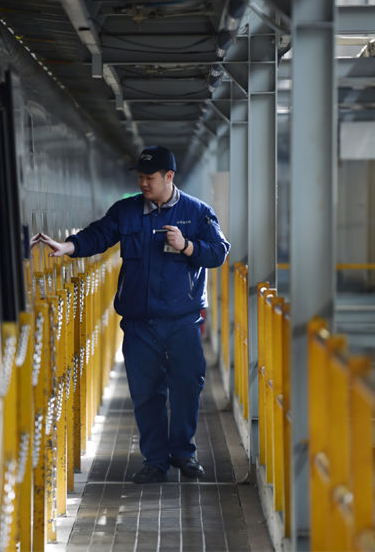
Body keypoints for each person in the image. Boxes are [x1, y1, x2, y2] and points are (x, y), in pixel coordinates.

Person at [32, 146, 230, 483]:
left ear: (169, 177)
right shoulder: (126, 212)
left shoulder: (197, 213)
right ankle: (155, 461)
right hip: (139, 322)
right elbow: (99, 235)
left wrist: (188, 246)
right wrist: (69, 247)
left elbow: (219, 253)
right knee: (145, 391)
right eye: (139, 176)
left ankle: (183, 453)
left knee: (186, 386)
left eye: (149, 177)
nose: (143, 183)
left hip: (183, 320)